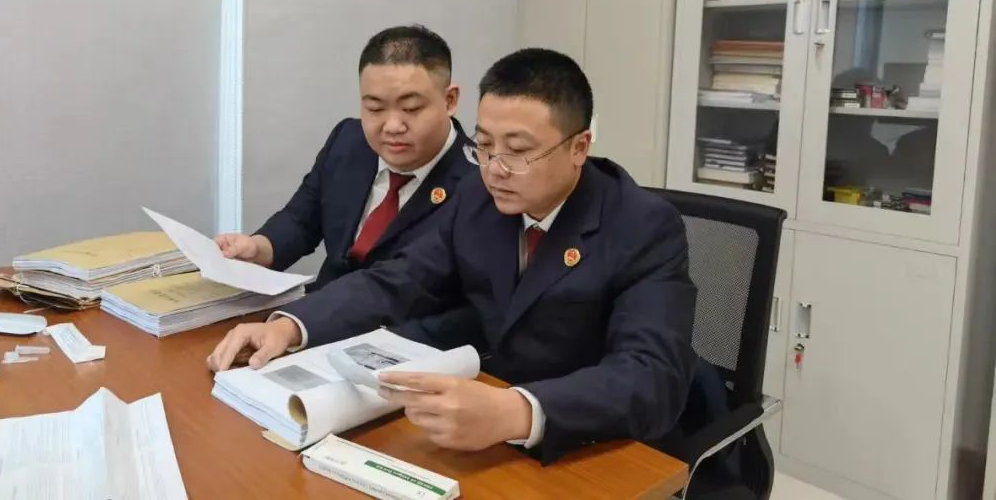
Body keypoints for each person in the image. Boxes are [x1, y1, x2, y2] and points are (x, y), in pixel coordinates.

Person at [208, 48, 696, 463]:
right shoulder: (478, 200)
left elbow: (652, 375)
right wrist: (289, 327)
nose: (495, 168)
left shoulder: (643, 226)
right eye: (484, 145)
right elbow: (400, 279)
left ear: (579, 147)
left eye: (518, 151)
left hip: (592, 440)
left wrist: (518, 410)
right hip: (484, 420)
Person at [215, 25, 475, 305]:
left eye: (411, 108)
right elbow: (301, 220)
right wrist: (258, 248)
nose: (392, 126)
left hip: (400, 326)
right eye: (375, 108)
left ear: (449, 100)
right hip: (315, 314)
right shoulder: (349, 141)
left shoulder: (479, 182)